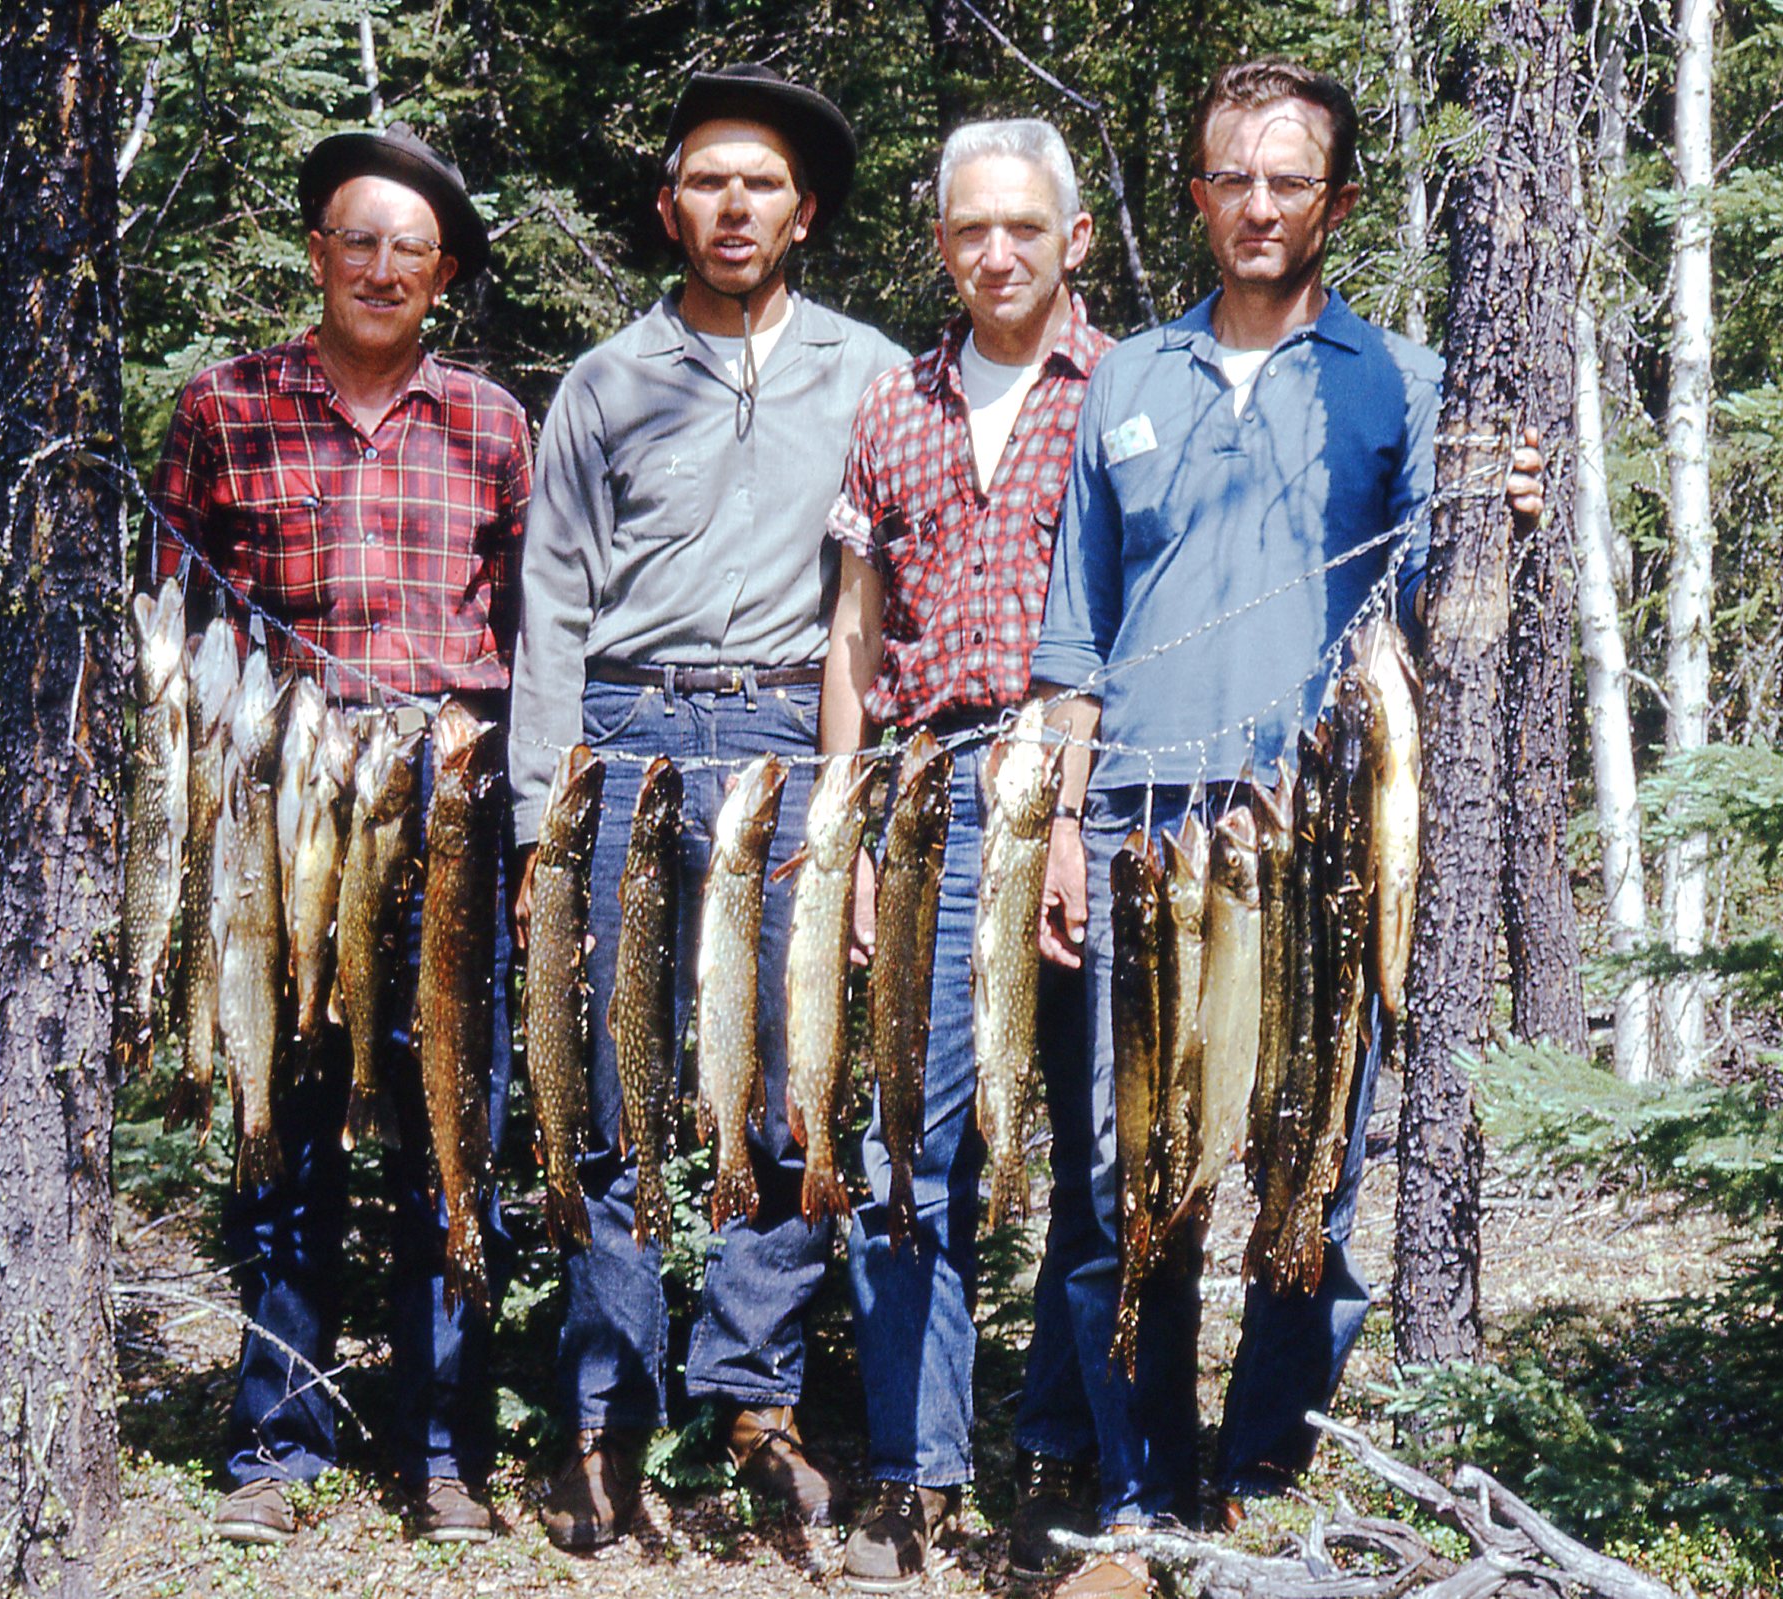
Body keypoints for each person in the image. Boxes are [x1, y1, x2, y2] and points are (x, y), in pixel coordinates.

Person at [1025, 61, 1546, 1599]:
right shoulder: (1127, 379)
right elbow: (1074, 635)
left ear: (1339, 201)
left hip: (1321, 839)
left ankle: (1260, 1479)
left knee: (1304, 1164)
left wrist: (1505, 508)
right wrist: (1060, 827)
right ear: (1196, 194)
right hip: (1140, 833)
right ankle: (1137, 1496)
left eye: (1289, 180)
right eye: (1231, 179)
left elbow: (1447, 597)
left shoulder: (1400, 379)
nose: (1257, 206)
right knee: (1131, 1175)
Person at [509, 63, 907, 1553]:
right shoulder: (606, 383)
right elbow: (552, 605)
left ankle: (755, 1399)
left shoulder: (873, 375)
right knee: (608, 1083)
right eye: (706, 181)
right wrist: (541, 818)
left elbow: (897, 576)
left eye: (762, 185)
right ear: (668, 206)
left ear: (802, 214)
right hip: (621, 741)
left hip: (791, 740)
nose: (733, 207)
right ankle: (603, 1413)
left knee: (790, 1082)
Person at [149, 126, 532, 1549]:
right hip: (284, 811)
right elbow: (173, 616)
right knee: (287, 1127)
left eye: (410, 250)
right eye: (357, 241)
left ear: (445, 274)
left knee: (448, 1128)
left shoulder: (491, 423)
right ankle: (277, 1440)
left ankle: (444, 1448)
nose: (381, 268)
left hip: (443, 804)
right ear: (316, 252)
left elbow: (534, 625)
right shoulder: (224, 408)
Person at [816, 117, 1110, 1592]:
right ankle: (915, 1475)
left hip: (1090, 804)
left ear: (1074, 239)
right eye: (970, 229)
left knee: (1099, 1149)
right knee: (907, 1149)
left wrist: (1067, 811)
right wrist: (848, 832)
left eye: (1024, 227)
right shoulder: (893, 405)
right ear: (941, 245)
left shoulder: (1130, 389)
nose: (997, 254)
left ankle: (1061, 1452)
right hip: (924, 801)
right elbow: (854, 634)